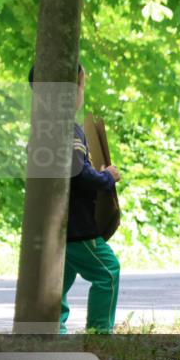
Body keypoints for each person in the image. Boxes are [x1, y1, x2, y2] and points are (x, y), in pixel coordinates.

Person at [29, 64, 123, 334]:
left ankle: (54, 331)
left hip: (52, 224)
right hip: (77, 225)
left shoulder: (43, 129)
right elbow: (78, 175)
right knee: (108, 272)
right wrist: (106, 178)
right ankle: (99, 332)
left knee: (59, 280)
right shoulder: (69, 131)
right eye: (81, 85)